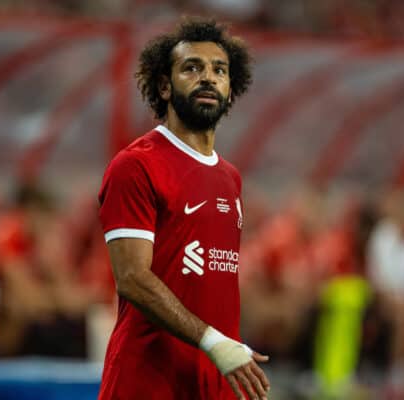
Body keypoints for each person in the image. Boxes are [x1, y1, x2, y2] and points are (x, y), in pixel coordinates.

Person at [97, 18, 270, 399]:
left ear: (231, 87)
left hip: (219, 377)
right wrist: (213, 341)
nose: (207, 77)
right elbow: (132, 278)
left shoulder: (230, 177)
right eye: (192, 68)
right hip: (147, 380)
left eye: (219, 70)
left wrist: (227, 350)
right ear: (164, 85)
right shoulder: (136, 165)